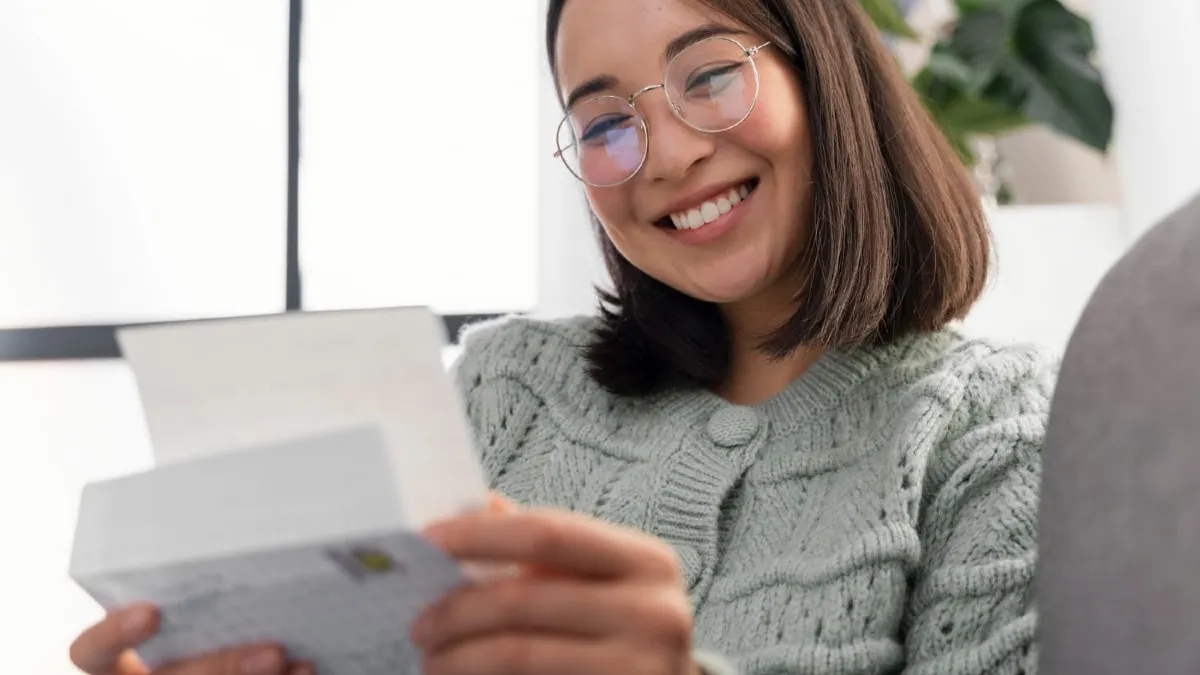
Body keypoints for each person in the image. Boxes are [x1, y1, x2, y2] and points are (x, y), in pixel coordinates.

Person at [69, 0, 1056, 673]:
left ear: (825, 80)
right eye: (603, 125)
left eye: (710, 76)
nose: (663, 154)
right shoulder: (508, 390)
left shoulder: (992, 435)